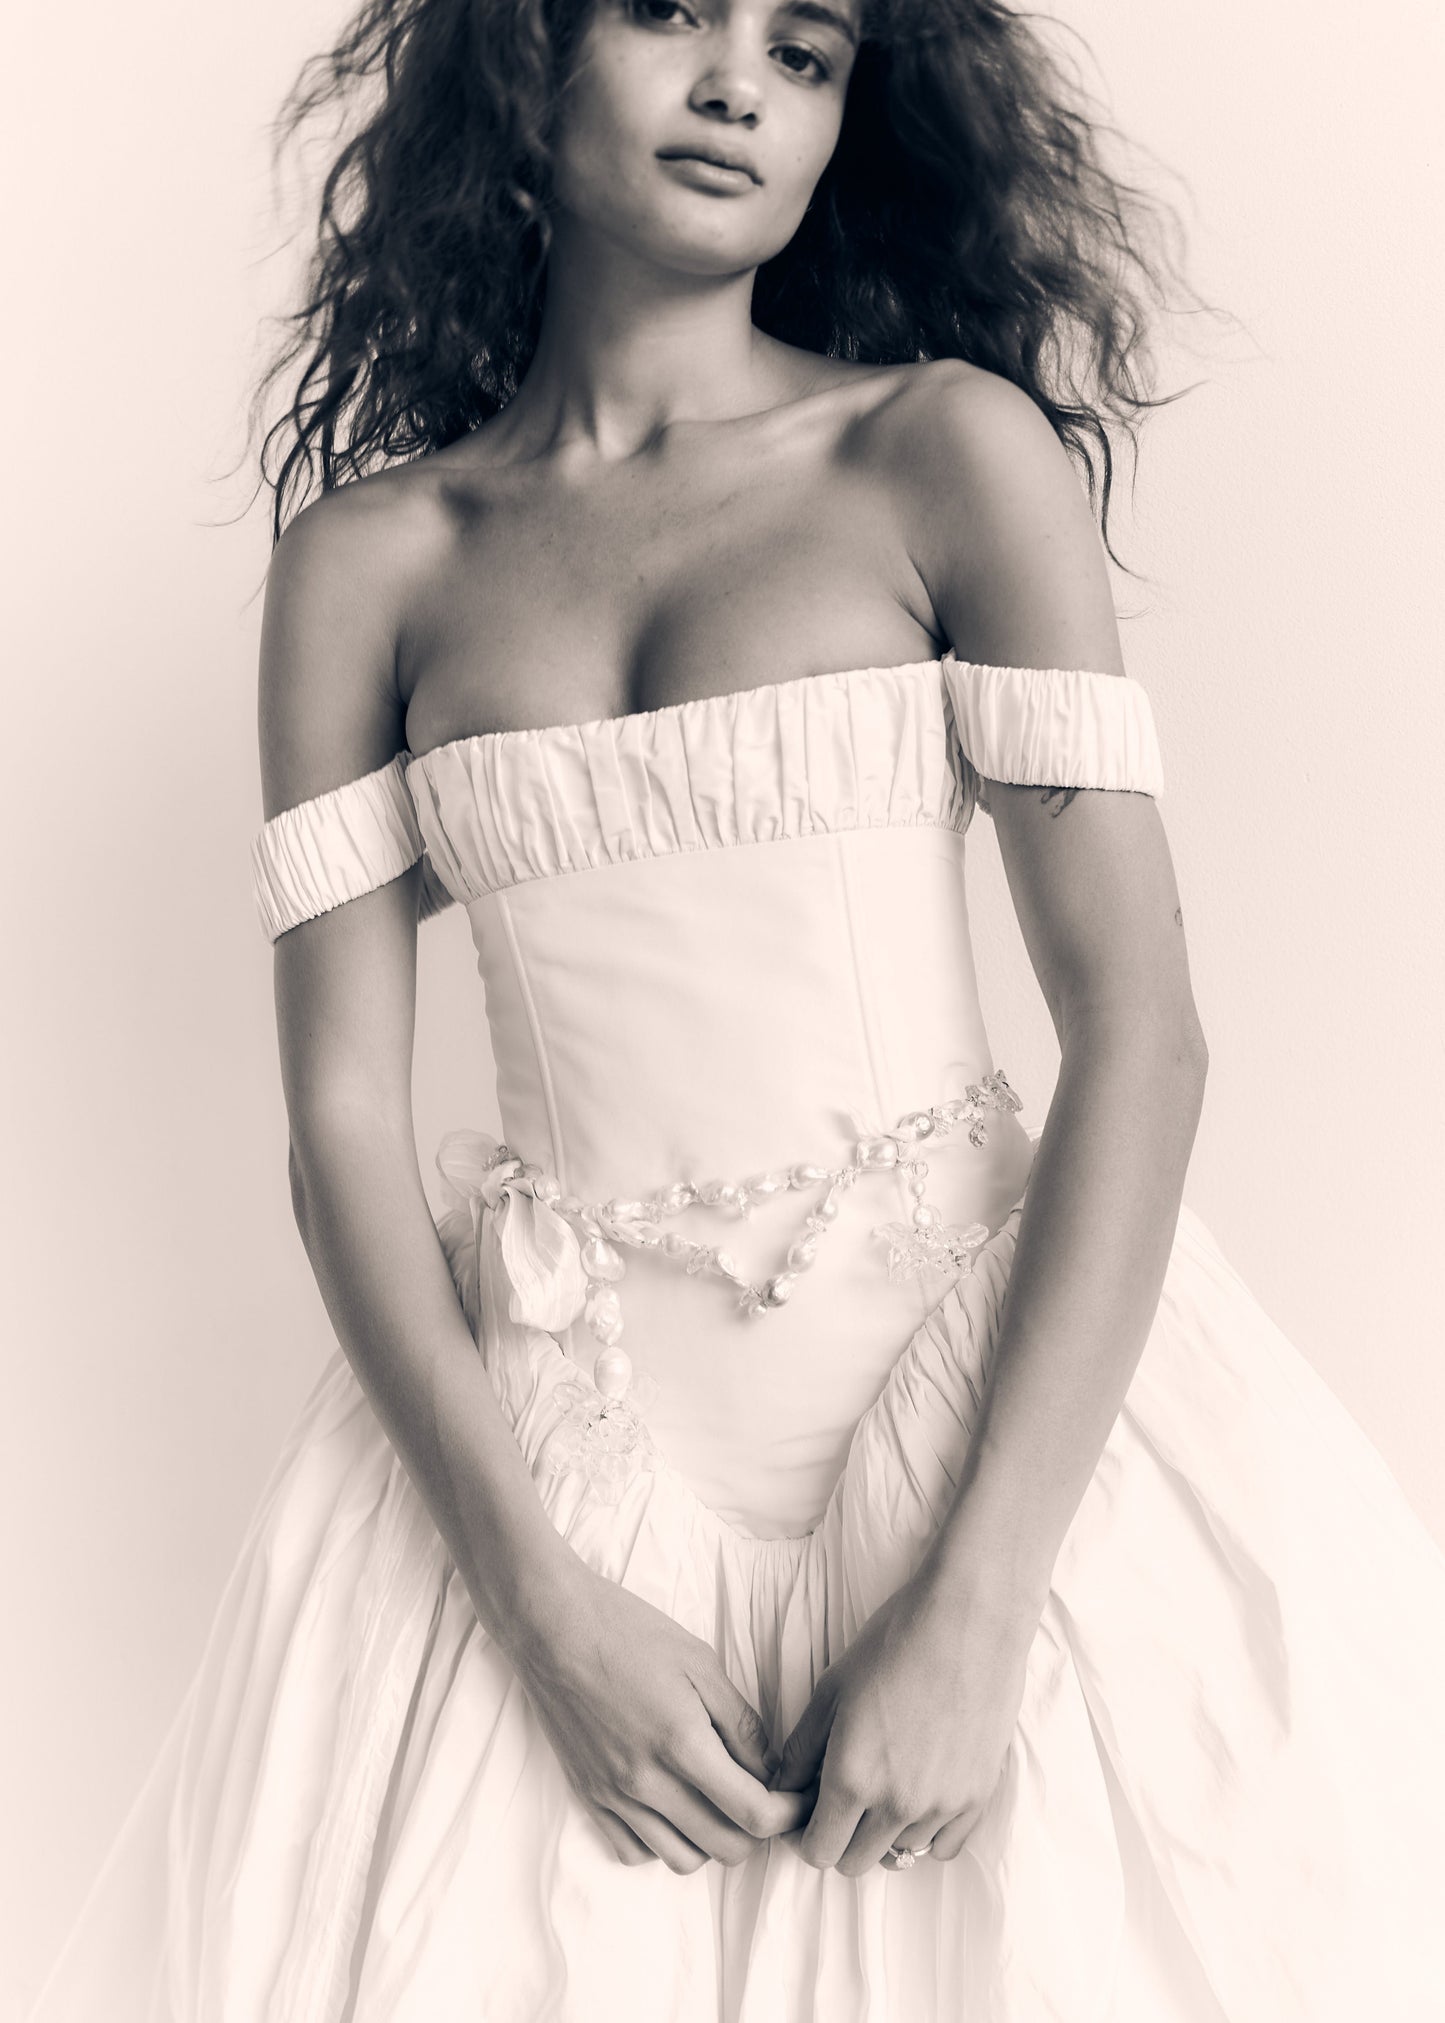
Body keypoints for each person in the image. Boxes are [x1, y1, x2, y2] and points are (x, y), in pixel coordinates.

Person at [28, 0, 1445, 2017]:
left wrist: (981, 1606)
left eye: (806, 51)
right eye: (674, 15)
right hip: (552, 1485)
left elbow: (1142, 1027)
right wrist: (539, 1609)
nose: (737, 88)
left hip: (992, 1436)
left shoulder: (940, 451)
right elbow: (338, 1124)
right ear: (521, 58)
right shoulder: (368, 567)